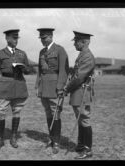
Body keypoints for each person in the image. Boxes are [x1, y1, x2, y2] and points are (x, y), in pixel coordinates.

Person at [0, 29, 30, 151]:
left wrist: (23, 68)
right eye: (13, 38)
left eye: (17, 38)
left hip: (19, 85)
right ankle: (0, 139)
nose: (16, 41)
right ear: (7, 39)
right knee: (1, 112)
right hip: (4, 87)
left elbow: (28, 70)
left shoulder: (22, 54)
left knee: (17, 112)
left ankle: (13, 137)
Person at [35, 28, 69, 154]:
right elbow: (39, 70)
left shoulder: (60, 50)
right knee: (48, 113)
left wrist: (60, 87)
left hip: (55, 86)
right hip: (44, 86)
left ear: (50, 37)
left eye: (44, 38)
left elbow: (64, 70)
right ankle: (51, 137)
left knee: (56, 114)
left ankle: (56, 141)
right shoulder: (41, 51)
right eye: (41, 38)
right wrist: (37, 86)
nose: (42, 40)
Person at [64, 31, 95, 159]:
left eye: (76, 41)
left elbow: (79, 77)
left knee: (84, 119)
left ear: (84, 42)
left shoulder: (87, 56)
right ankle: (81, 145)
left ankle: (87, 150)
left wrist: (66, 88)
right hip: (78, 92)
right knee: (80, 119)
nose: (74, 44)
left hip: (82, 92)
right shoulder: (82, 55)